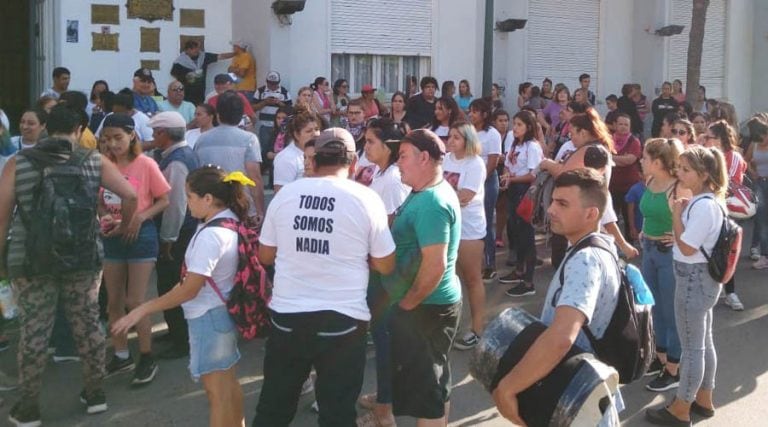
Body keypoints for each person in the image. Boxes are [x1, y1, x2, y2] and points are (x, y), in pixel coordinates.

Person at [0, 104, 138, 425]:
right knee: (88, 324)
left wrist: (3, 263)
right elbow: (130, 195)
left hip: (30, 260)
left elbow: (2, 217)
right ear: (79, 130)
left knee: (35, 329)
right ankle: (95, 394)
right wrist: (122, 226)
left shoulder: (18, 163)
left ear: (47, 128)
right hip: (84, 257)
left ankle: (29, 408)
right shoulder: (94, 160)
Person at [253, 127, 396, 426]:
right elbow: (385, 265)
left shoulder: (286, 195)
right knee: (338, 413)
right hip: (342, 322)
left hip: (288, 317)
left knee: (273, 408)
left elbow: (264, 256)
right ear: (354, 163)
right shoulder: (367, 199)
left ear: (314, 160)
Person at [113, 166, 250, 426]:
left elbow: (189, 289)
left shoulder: (211, 235)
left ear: (207, 199)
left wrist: (142, 310)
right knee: (228, 386)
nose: (186, 204)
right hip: (220, 315)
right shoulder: (227, 219)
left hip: (209, 318)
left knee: (217, 394)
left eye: (189, 196)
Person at [493, 168, 622, 427]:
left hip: (575, 401)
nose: (551, 209)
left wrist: (508, 387)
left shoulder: (585, 260)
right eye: (552, 200)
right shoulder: (602, 245)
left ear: (591, 214)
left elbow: (562, 337)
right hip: (583, 394)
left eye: (562, 203)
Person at [383, 129, 462, 426]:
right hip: (427, 306)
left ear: (424, 157)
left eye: (403, 156)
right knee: (435, 384)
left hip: (426, 307)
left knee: (427, 392)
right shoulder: (423, 193)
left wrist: (407, 304)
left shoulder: (431, 202)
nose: (398, 163)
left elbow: (435, 265)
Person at [646, 146, 726, 426]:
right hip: (699, 278)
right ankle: (704, 399)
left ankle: (681, 407)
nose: (679, 173)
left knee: (693, 347)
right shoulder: (706, 202)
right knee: (703, 341)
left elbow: (686, 246)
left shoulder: (703, 205)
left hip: (693, 278)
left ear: (703, 175)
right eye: (679, 168)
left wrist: (677, 215)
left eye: (686, 169)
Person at [99, 113, 170, 384]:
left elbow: (164, 199)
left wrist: (140, 217)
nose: (113, 144)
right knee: (113, 301)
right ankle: (120, 355)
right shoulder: (103, 165)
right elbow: (99, 200)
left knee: (135, 301)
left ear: (131, 135)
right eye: (107, 139)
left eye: (118, 137)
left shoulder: (146, 164)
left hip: (140, 236)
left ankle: (146, 355)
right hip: (111, 237)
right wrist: (104, 214)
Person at [357, 118, 410, 426]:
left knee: (384, 339)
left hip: (385, 272)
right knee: (383, 338)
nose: (366, 146)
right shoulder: (380, 172)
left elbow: (391, 230)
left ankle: (385, 411)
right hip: (379, 268)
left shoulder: (391, 180)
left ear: (387, 146)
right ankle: (384, 397)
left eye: (371, 141)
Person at [148, 111, 200, 359]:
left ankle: (181, 340)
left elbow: (175, 206)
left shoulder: (177, 161)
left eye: (155, 132)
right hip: (185, 230)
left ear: (164, 134)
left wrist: (167, 239)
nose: (152, 137)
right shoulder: (180, 155)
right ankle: (176, 333)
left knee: (170, 284)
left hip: (179, 234)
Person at [638, 138, 687, 393]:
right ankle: (661, 357)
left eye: (645, 158)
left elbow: (696, 221)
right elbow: (648, 213)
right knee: (653, 308)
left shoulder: (679, 188)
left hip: (669, 255)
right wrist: (645, 232)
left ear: (657, 162)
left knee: (671, 312)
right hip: (649, 251)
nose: (641, 161)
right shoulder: (650, 181)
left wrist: (678, 238)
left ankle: (674, 369)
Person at [443, 122, 487, 350]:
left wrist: (437, 199)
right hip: (448, 225)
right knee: (452, 277)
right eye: (450, 136)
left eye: (456, 137)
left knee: (472, 278)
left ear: (468, 141)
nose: (450, 141)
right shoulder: (446, 159)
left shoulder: (475, 164)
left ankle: (477, 328)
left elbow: (465, 195)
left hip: (469, 229)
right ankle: (454, 324)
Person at [195, 91, 265, 221]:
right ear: (240, 116)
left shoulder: (202, 140)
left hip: (211, 208)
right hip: (242, 207)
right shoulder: (249, 139)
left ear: (218, 115)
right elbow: (255, 177)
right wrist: (260, 211)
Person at [703, 120, 747, 311]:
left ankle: (730, 292)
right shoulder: (705, 155)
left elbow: (727, 184)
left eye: (708, 137)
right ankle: (713, 288)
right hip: (707, 210)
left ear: (720, 139)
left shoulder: (733, 157)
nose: (705, 140)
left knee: (725, 251)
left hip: (726, 212)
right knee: (706, 251)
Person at [498, 111, 544, 296]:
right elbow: (509, 164)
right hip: (513, 191)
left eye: (519, 125)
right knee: (515, 234)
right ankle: (518, 271)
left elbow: (533, 174)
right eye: (514, 124)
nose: (514, 128)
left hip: (525, 192)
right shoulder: (516, 144)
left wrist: (512, 179)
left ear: (529, 127)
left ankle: (528, 281)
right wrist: (507, 174)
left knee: (527, 236)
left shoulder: (532, 146)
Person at [468, 98, 502, 280]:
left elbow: (493, 162)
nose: (471, 115)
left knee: (486, 221)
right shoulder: (469, 132)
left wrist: (479, 181)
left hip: (486, 183)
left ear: (485, 115)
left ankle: (490, 263)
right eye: (470, 111)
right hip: (468, 182)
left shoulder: (492, 134)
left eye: (475, 111)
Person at [273, 105, 321, 193]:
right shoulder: (285, 158)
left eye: (317, 129)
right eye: (309, 131)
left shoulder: (321, 152)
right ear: (296, 135)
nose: (315, 134)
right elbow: (281, 194)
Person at [609, 114, 642, 238]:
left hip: (630, 187)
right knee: (611, 219)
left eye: (626, 125)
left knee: (630, 218)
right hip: (612, 186)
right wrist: (620, 159)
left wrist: (610, 157)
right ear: (615, 125)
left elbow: (630, 160)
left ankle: (630, 245)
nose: (623, 127)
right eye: (620, 124)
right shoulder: (608, 140)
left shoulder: (634, 141)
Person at [171, 40, 235, 105]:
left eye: (197, 48)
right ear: (187, 50)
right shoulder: (180, 62)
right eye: (192, 48)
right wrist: (189, 77)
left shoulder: (203, 57)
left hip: (200, 92)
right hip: (186, 93)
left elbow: (221, 56)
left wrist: (235, 54)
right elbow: (174, 74)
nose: (196, 50)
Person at [745, 118, 768, 265]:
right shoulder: (754, 144)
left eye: (763, 137)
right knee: (760, 218)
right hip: (759, 182)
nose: (761, 141)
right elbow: (745, 159)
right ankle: (761, 253)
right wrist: (752, 172)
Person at [253, 71, 292, 147]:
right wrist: (264, 102)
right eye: (270, 83)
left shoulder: (284, 92)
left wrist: (279, 103)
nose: (272, 86)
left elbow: (290, 110)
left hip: (280, 126)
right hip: (265, 125)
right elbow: (253, 108)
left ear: (278, 82)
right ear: (267, 82)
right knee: (265, 148)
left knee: (279, 148)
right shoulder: (260, 91)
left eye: (275, 84)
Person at [492, 109, 512, 249]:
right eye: (500, 120)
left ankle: (499, 235)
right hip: (491, 172)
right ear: (494, 122)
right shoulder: (491, 136)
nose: (503, 123)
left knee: (502, 206)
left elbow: (509, 157)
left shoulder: (511, 136)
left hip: (506, 173)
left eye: (506, 120)